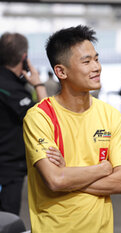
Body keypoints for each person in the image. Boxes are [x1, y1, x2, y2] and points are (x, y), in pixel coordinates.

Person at [23, 25, 121, 233]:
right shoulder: (40, 117)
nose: (97, 67)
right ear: (61, 71)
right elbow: (55, 180)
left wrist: (68, 176)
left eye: (97, 59)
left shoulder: (111, 116)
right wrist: (102, 169)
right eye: (87, 61)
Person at [0, 32, 47, 215]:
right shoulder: (10, 89)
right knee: (7, 220)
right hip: (8, 170)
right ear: (24, 58)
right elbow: (44, 117)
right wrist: (38, 84)